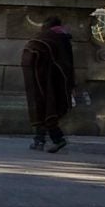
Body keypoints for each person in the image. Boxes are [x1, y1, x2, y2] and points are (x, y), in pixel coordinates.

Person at [21, 15, 77, 153]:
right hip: (60, 78)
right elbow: (68, 62)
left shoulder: (42, 39)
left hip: (42, 77)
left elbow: (31, 55)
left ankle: (45, 139)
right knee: (51, 107)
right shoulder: (63, 38)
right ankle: (48, 139)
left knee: (41, 105)